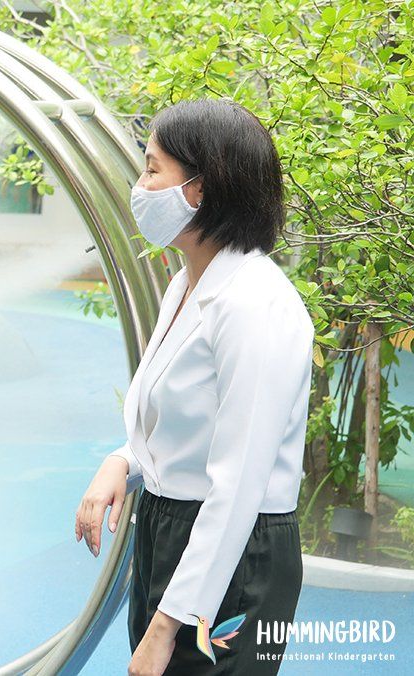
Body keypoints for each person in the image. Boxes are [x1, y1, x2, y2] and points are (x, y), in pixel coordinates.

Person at [73, 100, 313, 675]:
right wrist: (124, 461)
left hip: (232, 552)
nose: (140, 186)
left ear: (201, 190)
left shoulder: (254, 304)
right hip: (173, 531)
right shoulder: (188, 282)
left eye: (153, 170)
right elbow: (187, 422)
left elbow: (239, 485)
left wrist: (166, 627)